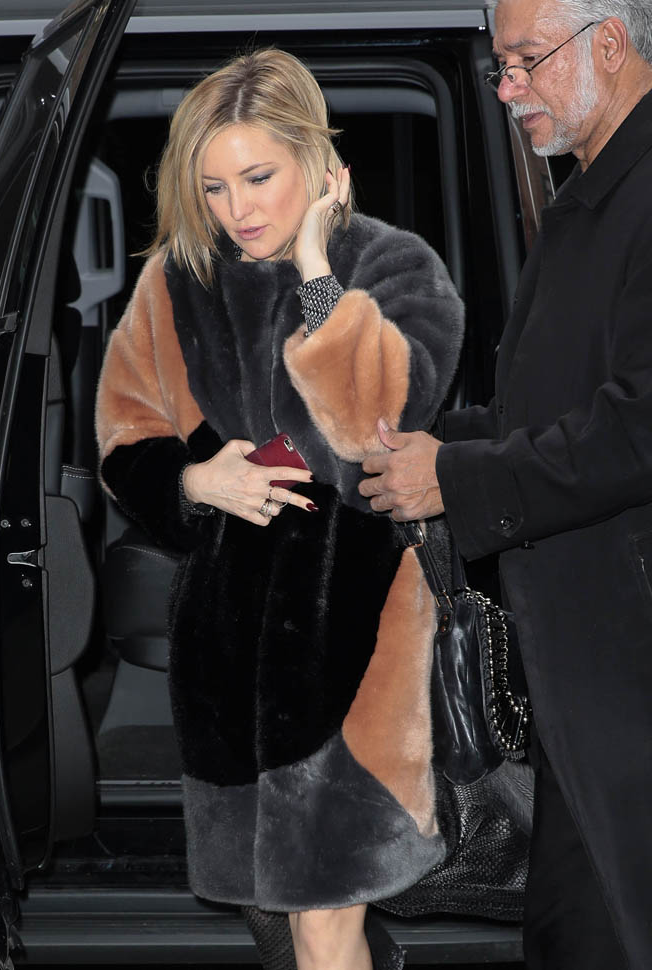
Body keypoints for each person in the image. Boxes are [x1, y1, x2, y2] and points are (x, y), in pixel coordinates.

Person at [95, 48, 464, 970]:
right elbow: (124, 438)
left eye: (259, 177)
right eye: (213, 187)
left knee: (325, 916)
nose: (238, 209)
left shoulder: (394, 265)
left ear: (317, 159)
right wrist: (194, 483)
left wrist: (313, 271)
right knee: (287, 923)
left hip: (360, 636)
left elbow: (379, 419)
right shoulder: (177, 281)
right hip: (227, 650)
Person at [358, 1, 652, 968]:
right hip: (584, 671)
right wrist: (437, 444)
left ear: (609, 44)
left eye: (526, 60)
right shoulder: (594, 194)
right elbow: (552, 408)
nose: (507, 88)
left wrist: (458, 477)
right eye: (501, 66)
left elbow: (638, 426)